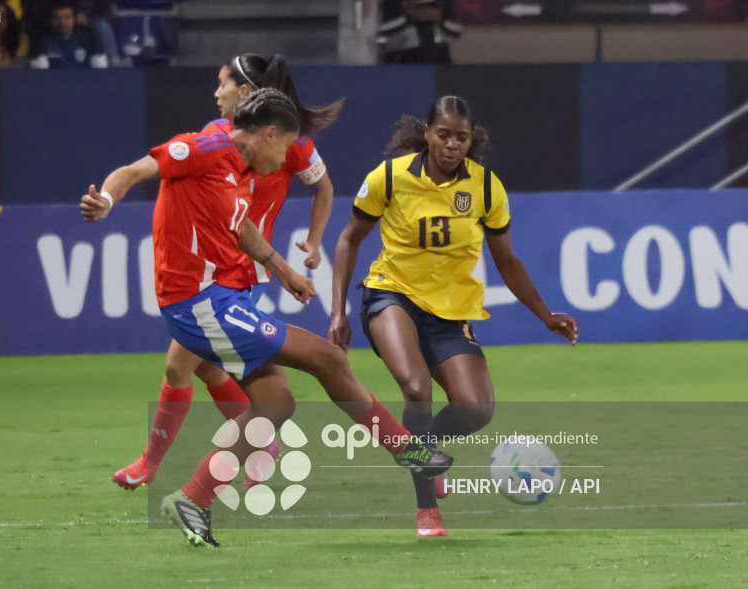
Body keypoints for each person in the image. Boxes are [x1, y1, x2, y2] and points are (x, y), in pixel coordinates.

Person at [81, 88, 453, 548]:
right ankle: (408, 451)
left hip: (217, 299)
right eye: (285, 148)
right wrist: (107, 201)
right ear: (270, 134)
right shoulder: (203, 147)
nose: (283, 161)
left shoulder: (241, 167)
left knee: (276, 402)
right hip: (198, 306)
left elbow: (241, 228)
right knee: (328, 359)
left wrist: (284, 271)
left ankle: (193, 499)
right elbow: (135, 170)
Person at [328, 96, 579, 537]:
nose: (451, 144)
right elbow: (349, 239)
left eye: (461, 137)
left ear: (470, 140)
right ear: (427, 133)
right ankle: (427, 509)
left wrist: (544, 314)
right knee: (416, 388)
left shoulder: (485, 188)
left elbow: (507, 260)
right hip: (391, 294)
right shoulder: (390, 177)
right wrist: (338, 312)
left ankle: (422, 445)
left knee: (476, 410)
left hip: (449, 312)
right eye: (443, 135)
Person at [111, 53, 343, 493]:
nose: (217, 92)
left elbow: (323, 188)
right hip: (216, 268)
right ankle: (251, 444)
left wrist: (312, 242)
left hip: (239, 272)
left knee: (185, 367)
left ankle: (170, 464)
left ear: (246, 92)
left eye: (223, 84)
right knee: (195, 368)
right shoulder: (217, 137)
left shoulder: (290, 141)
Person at [378, 0, 461, 65]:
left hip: (438, 56)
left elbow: (456, 30)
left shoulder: (444, 2)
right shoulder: (393, 2)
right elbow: (384, 28)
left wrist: (440, 20)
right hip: (404, 55)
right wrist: (408, 17)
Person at [33, 0, 107, 68]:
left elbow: (100, 67)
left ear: (75, 19)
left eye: (67, 18)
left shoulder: (87, 38)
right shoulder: (44, 41)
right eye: (57, 18)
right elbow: (40, 71)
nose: (62, 22)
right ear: (52, 20)